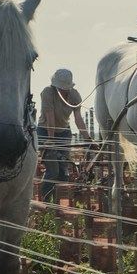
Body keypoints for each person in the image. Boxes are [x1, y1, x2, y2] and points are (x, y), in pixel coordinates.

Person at [38, 68, 89, 202]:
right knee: (53, 170)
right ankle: (45, 202)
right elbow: (50, 118)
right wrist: (50, 140)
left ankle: (59, 204)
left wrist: (88, 138)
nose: (62, 90)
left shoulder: (75, 96)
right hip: (45, 131)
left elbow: (78, 118)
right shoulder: (47, 93)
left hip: (64, 133)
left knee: (63, 171)